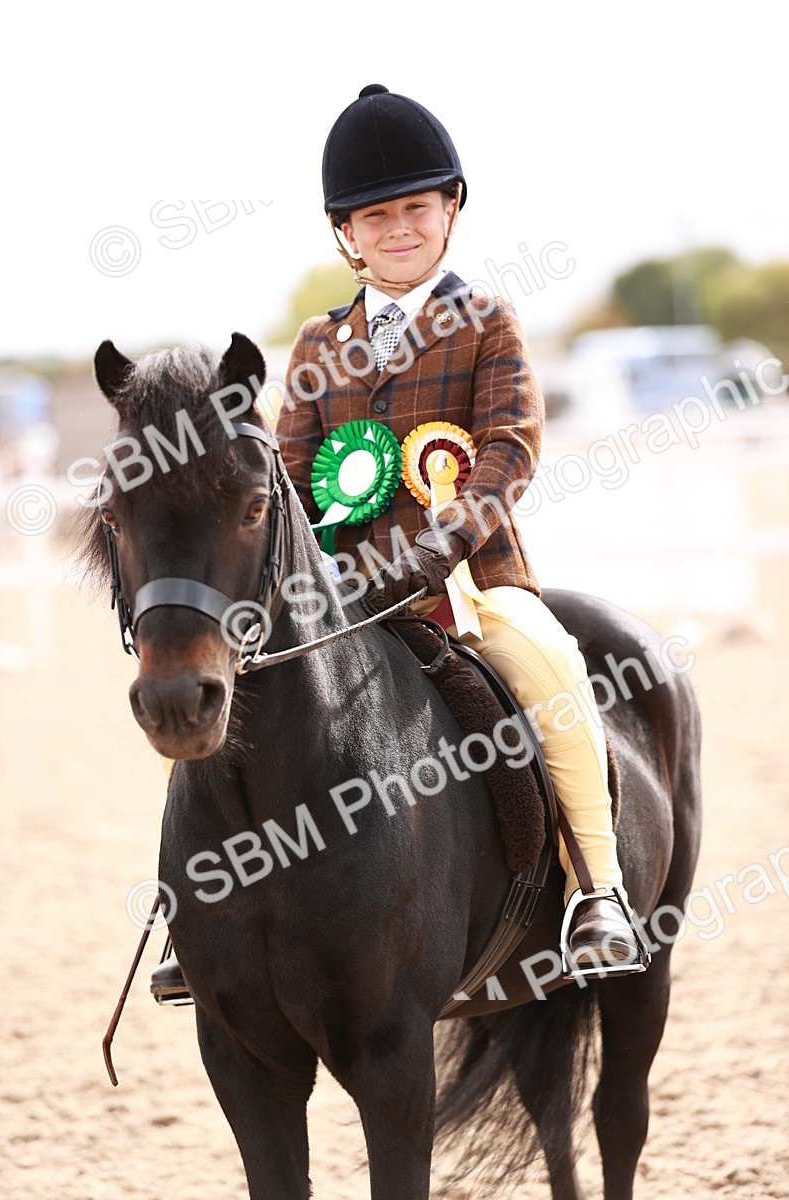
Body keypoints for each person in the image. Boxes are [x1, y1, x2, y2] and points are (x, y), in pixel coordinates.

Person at [150, 83, 640, 1001]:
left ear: (450, 209)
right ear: (348, 231)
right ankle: (199, 914)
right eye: (377, 216)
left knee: (551, 669)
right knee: (225, 692)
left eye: (417, 208)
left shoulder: (488, 320)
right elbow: (289, 477)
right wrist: (304, 572)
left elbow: (508, 449)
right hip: (330, 597)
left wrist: (431, 554)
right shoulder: (317, 340)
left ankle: (596, 889)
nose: (399, 229)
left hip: (468, 585)